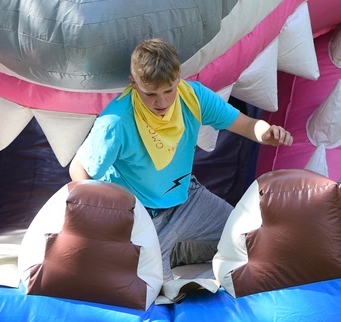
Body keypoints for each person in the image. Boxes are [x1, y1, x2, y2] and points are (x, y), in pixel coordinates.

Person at [69, 38, 293, 283]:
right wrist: (115, 225)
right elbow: (79, 171)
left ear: (178, 77)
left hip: (187, 200)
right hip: (142, 219)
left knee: (253, 240)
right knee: (155, 293)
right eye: (151, 94)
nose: (162, 103)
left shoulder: (193, 96)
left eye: (168, 90)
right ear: (134, 83)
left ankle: (175, 248)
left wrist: (266, 132)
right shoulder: (115, 122)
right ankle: (161, 250)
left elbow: (248, 125)